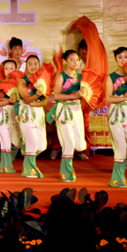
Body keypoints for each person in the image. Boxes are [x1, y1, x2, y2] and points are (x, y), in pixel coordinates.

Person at [105, 47, 127, 188]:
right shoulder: (111, 77)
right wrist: (124, 97)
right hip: (116, 112)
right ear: (115, 59)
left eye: (126, 57)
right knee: (120, 147)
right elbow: (108, 98)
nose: (123, 60)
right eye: (120, 57)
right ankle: (118, 179)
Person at [48, 50, 86, 182]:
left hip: (77, 110)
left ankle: (67, 168)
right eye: (72, 60)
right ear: (65, 61)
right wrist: (73, 95)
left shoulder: (81, 77)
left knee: (80, 145)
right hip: (63, 109)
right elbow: (57, 96)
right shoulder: (61, 77)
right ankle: (66, 171)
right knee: (69, 141)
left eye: (77, 60)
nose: (75, 63)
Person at [17, 55, 49, 178]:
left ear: (39, 66)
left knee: (42, 146)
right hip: (26, 112)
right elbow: (26, 99)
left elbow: (45, 102)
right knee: (33, 142)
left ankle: (25, 147)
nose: (33, 66)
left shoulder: (43, 81)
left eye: (35, 64)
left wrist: (35, 103)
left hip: (38, 112)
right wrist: (36, 96)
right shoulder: (23, 82)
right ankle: (28, 169)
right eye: (30, 64)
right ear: (26, 66)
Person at [0, 59, 20, 173]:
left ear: (16, 69)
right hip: (3, 113)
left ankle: (8, 162)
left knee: (17, 141)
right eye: (6, 68)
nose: (9, 71)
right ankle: (5, 166)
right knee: (5, 139)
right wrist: (8, 101)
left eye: (12, 68)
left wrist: (15, 101)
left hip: (14, 114)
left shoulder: (19, 84)